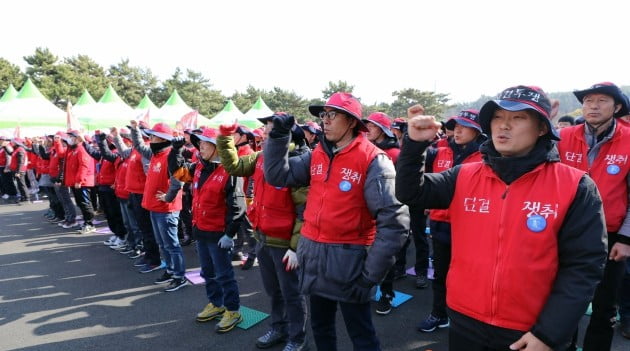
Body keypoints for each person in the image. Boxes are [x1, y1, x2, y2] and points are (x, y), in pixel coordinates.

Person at [395, 85, 607, 351]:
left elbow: (584, 268)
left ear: (542, 128)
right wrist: (414, 146)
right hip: (464, 318)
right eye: (498, 117)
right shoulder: (463, 175)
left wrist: (549, 334)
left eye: (518, 118)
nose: (503, 126)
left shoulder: (576, 186)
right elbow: (410, 193)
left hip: (530, 331)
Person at [263, 92, 409, 351]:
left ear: (352, 121)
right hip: (315, 261)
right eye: (323, 115)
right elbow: (277, 175)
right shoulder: (318, 153)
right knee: (321, 329)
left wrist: (370, 277)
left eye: (332, 115)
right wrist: (277, 137)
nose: (325, 121)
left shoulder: (373, 159)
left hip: (351, 267)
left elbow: (394, 224)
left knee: (362, 336)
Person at [217, 114, 308, 351]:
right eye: (265, 128)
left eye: (270, 129)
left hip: (285, 243)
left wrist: (295, 247)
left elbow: (304, 211)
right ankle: (279, 328)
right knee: (273, 291)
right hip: (263, 237)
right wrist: (226, 138)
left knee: (292, 294)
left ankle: (297, 337)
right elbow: (234, 166)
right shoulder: (260, 157)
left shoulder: (297, 161)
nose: (265, 132)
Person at [557, 82, 630, 351]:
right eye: (588, 100)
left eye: (601, 100)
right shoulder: (562, 137)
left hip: (611, 237)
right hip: (564, 232)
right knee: (563, 302)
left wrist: (625, 238)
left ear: (617, 107)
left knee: (604, 306)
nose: (593, 105)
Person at [169, 128, 245, 333]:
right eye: (199, 143)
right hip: (201, 230)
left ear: (217, 147)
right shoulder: (199, 167)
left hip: (219, 234)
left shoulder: (230, 171)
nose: (200, 147)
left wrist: (230, 233)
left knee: (224, 274)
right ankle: (216, 303)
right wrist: (175, 151)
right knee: (207, 272)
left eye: (205, 143)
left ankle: (233, 310)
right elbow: (176, 174)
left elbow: (237, 206)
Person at [418, 109, 485, 333]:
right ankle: (439, 314)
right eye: (454, 125)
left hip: (470, 226)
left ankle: (470, 318)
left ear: (477, 130)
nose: (457, 129)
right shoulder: (439, 150)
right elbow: (421, 175)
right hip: (440, 222)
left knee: (471, 276)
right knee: (440, 274)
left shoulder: (486, 156)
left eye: (464, 126)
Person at [132, 121, 186, 292]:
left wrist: (168, 197)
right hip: (155, 207)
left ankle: (179, 276)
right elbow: (139, 146)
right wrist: (135, 130)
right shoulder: (156, 154)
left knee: (171, 244)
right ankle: (170, 270)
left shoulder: (172, 155)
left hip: (166, 209)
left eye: (153, 136)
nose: (150, 139)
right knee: (163, 244)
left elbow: (181, 180)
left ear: (162, 139)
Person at [64, 130, 96, 234]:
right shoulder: (73, 149)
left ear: (77, 138)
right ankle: (86, 223)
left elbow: (83, 166)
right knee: (80, 203)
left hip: (82, 182)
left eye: (70, 136)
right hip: (75, 182)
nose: (68, 138)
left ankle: (90, 224)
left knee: (85, 202)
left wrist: (79, 180)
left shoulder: (81, 149)